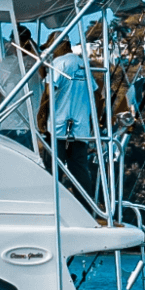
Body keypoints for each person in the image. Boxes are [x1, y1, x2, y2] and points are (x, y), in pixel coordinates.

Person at [48, 39, 96, 190]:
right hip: (81, 130)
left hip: (58, 128)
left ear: (60, 46)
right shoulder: (83, 64)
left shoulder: (59, 63)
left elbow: (48, 93)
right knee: (79, 169)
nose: (51, 52)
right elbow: (96, 94)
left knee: (52, 170)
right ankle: (85, 203)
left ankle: (51, 199)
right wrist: (93, 121)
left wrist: (41, 117)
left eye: (52, 48)